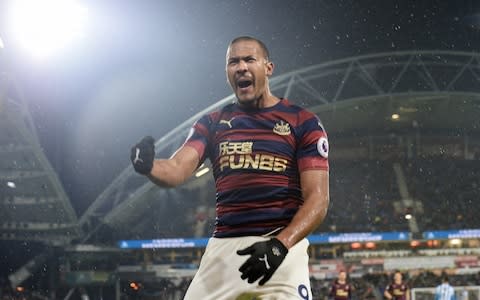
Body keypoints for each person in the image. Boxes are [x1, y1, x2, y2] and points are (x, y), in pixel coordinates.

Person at [130, 36, 330, 299]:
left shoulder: (303, 122)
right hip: (223, 253)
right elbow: (177, 168)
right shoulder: (213, 123)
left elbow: (318, 199)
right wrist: (148, 167)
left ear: (268, 68)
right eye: (233, 62)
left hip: (280, 249)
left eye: (249, 59)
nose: (241, 67)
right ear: (227, 72)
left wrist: (280, 246)